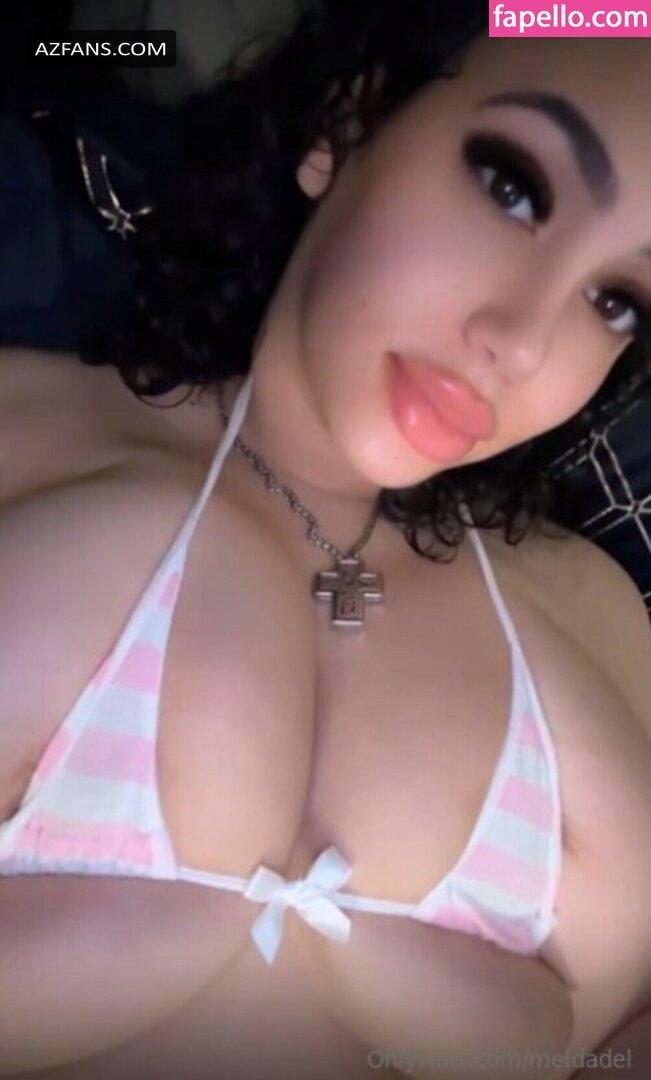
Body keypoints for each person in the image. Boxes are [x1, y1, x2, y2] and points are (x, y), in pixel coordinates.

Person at [0, 3, 649, 1078]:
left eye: (615, 301)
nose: (521, 340)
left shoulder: (592, 611)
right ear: (346, 128)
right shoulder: (25, 434)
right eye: (512, 188)